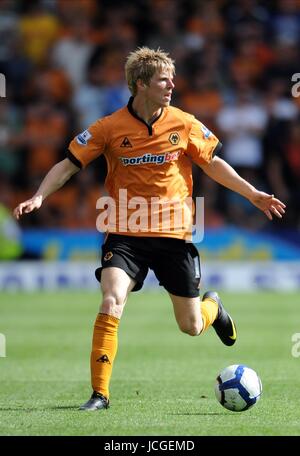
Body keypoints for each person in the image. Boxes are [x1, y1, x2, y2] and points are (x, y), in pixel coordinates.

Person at [14, 47, 285, 411]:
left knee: (190, 325)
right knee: (111, 301)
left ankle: (212, 308)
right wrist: (40, 196)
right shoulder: (108, 127)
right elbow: (68, 165)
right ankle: (100, 394)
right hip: (125, 234)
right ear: (140, 84)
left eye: (172, 78)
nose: (172, 84)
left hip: (174, 236)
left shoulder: (183, 122)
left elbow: (214, 163)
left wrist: (252, 194)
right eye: (163, 80)